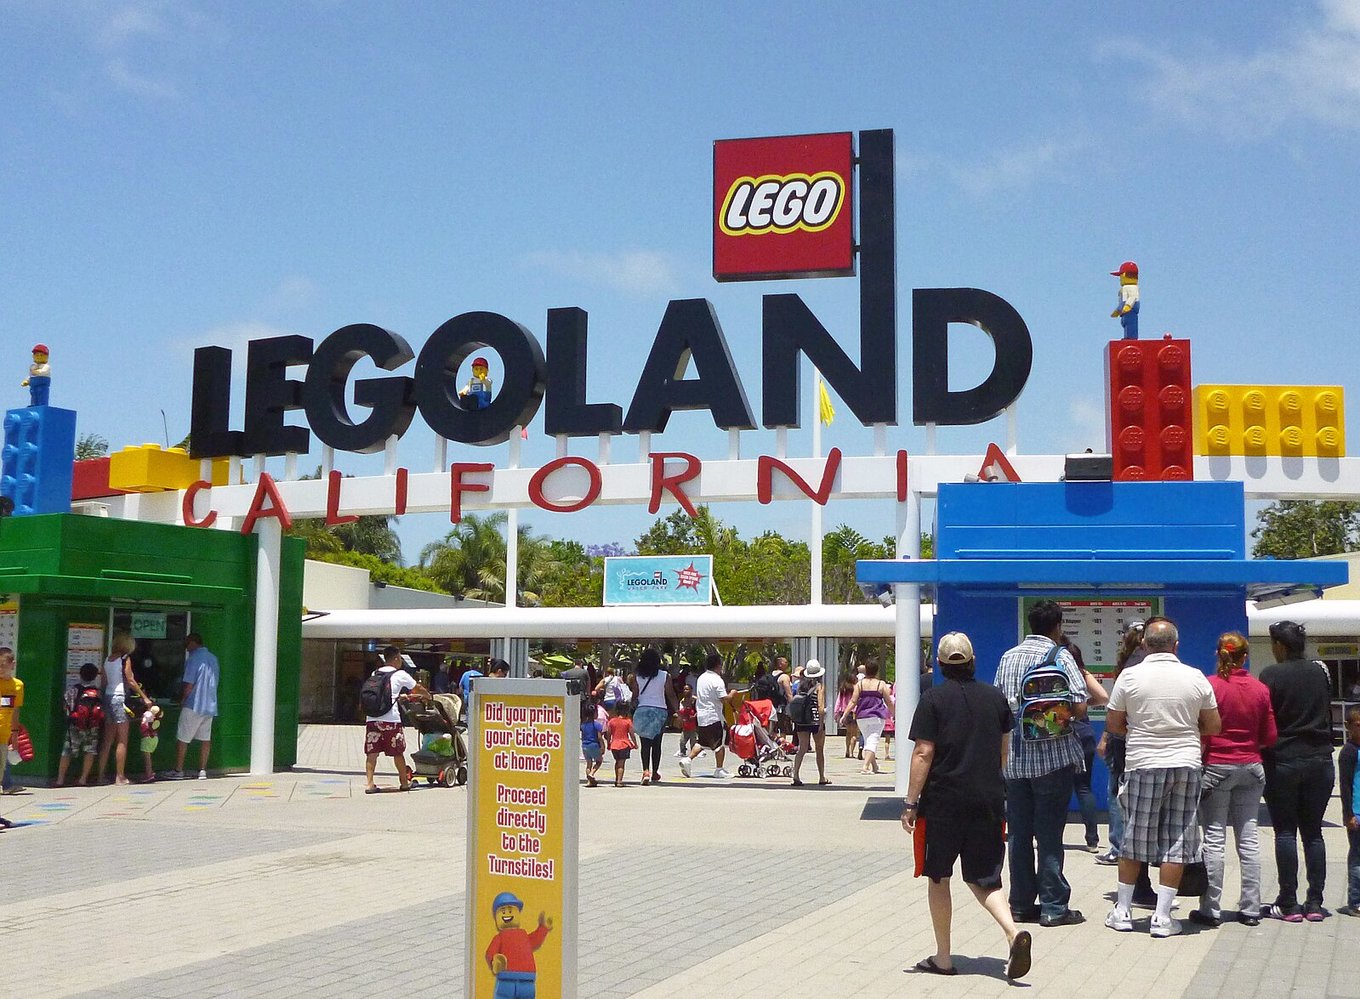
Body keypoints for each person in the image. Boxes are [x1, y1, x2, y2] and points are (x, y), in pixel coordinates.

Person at [903, 633, 1031, 980]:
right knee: (986, 878)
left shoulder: (932, 700)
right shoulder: (996, 699)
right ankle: (1012, 931)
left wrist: (911, 802)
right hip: (988, 800)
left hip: (942, 803)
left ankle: (943, 957)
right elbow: (1003, 751)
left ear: (940, 664)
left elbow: (923, 752)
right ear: (973, 661)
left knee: (938, 877)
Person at [1104, 617, 1220, 938]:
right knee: (1178, 840)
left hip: (1143, 763)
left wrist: (1140, 729)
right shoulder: (1195, 677)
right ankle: (1163, 916)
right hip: (1186, 763)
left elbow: (1114, 724)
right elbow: (1213, 725)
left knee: (1134, 837)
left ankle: (1123, 911)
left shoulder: (1130, 676)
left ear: (1144, 645)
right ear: (1176, 646)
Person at [993, 600, 1089, 927]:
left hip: (1014, 762)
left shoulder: (1008, 657)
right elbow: (1079, 706)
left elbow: (999, 706)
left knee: (1019, 835)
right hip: (1053, 759)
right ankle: (1053, 907)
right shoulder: (1060, 657)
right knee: (1049, 835)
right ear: (1058, 625)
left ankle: (1020, 904)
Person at [1193, 631, 1277, 928]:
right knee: (1249, 838)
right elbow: (1270, 736)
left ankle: (1210, 909)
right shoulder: (1259, 689)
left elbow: (1202, 731)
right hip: (1252, 767)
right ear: (1245, 657)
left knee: (1214, 839)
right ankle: (1251, 908)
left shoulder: (1210, 686)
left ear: (1218, 654)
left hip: (1216, 767)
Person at [1259, 620, 1336, 922]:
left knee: (1285, 831)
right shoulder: (1320, 671)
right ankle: (1315, 902)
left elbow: (1266, 719)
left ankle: (1288, 902)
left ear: (1279, 645)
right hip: (1320, 759)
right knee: (1314, 833)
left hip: (1283, 760)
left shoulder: (1271, 675)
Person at [1095, 621, 1146, 868]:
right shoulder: (1152, 663)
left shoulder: (1128, 667)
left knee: (1116, 793)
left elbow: (1116, 711)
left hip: (1123, 742)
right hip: (1148, 742)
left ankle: (1118, 848)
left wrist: (1105, 737)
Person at [1060, 637, 1105, 854]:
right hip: (1084, 733)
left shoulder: (1055, 673)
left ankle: (1053, 836)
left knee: (1059, 788)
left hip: (1062, 733)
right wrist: (1085, 704)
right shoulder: (1082, 673)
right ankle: (1092, 840)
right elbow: (1103, 696)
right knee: (1084, 787)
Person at [363, 646, 426, 794]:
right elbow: (416, 688)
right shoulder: (400, 674)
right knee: (397, 752)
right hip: (391, 721)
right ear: (396, 658)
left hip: (372, 719)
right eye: (400, 658)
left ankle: (370, 784)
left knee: (372, 752)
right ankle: (404, 783)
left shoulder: (375, 673)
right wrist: (427, 695)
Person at [97, 634, 152, 785]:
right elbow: (131, 680)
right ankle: (120, 776)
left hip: (108, 698)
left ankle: (100, 776)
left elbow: (104, 682)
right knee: (122, 739)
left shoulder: (108, 659)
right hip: (120, 699)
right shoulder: (124, 659)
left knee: (107, 740)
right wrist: (144, 697)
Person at [166, 633, 219, 781]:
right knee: (205, 739)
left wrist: (182, 699)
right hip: (209, 705)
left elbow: (189, 684)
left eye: (187, 644)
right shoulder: (213, 658)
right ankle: (202, 770)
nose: (186, 648)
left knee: (182, 738)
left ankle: (178, 770)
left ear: (193, 643)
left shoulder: (193, 659)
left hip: (193, 704)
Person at [679, 653, 735, 780]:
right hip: (714, 715)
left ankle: (687, 759)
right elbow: (724, 699)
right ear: (718, 665)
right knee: (719, 743)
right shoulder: (717, 680)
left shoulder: (702, 678)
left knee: (702, 742)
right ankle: (719, 769)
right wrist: (732, 693)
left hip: (702, 716)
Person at [629, 648, 678, 785]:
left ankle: (645, 771)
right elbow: (671, 695)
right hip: (659, 711)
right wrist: (677, 711)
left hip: (642, 710)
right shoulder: (665, 676)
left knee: (645, 743)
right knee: (657, 743)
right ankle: (655, 771)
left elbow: (635, 695)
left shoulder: (637, 676)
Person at [842, 661, 895, 775]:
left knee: (868, 739)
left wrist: (844, 714)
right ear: (877, 671)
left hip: (862, 716)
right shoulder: (881, 684)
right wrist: (894, 714)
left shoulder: (860, 684)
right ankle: (865, 767)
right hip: (877, 716)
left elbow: (853, 701)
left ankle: (874, 766)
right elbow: (889, 701)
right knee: (873, 740)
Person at [56, 662, 103, 787]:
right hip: (92, 726)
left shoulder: (73, 690)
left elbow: (65, 706)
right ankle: (83, 779)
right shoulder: (97, 693)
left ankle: (60, 780)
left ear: (80, 674)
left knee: (67, 751)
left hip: (75, 724)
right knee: (90, 750)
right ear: (95, 676)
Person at [791, 659, 830, 786]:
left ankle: (796, 775)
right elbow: (820, 706)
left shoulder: (800, 686)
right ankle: (822, 777)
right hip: (815, 720)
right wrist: (821, 723)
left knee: (802, 748)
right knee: (819, 749)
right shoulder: (819, 686)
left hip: (802, 720)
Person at [1338, 706, 1360, 917]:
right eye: (1358, 725)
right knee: (1357, 858)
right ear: (1349, 726)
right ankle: (1355, 901)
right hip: (1357, 812)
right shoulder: (1349, 752)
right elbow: (1345, 786)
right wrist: (1348, 814)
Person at [0, 648, 22, 830]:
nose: (0, 669)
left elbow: (15, 711)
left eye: (3, 665)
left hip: (3, 736)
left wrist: (15, 735)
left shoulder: (17, 686)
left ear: (12, 665)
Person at [603, 701, 637, 788]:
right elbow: (632, 734)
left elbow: (608, 734)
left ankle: (616, 779)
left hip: (614, 744)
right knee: (621, 764)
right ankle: (619, 781)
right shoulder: (628, 721)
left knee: (617, 762)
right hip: (624, 744)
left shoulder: (612, 721)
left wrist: (608, 743)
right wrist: (635, 743)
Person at [580, 697, 604, 788]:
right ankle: (592, 773)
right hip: (594, 745)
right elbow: (599, 737)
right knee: (599, 761)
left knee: (588, 764)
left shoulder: (582, 725)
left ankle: (589, 781)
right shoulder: (597, 725)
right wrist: (602, 746)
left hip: (584, 745)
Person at [835, 672, 859, 759]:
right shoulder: (856, 688)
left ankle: (847, 750)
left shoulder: (843, 689)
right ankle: (852, 752)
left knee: (848, 733)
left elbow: (838, 702)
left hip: (844, 712)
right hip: (854, 712)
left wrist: (836, 713)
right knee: (854, 734)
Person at [676, 686, 698, 757]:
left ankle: (693, 753)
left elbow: (699, 710)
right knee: (682, 741)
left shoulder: (695, 700)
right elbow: (681, 711)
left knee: (693, 741)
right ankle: (682, 751)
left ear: (691, 690)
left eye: (687, 689)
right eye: (684, 689)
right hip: (685, 725)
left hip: (693, 726)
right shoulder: (682, 701)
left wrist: (694, 716)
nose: (685, 691)